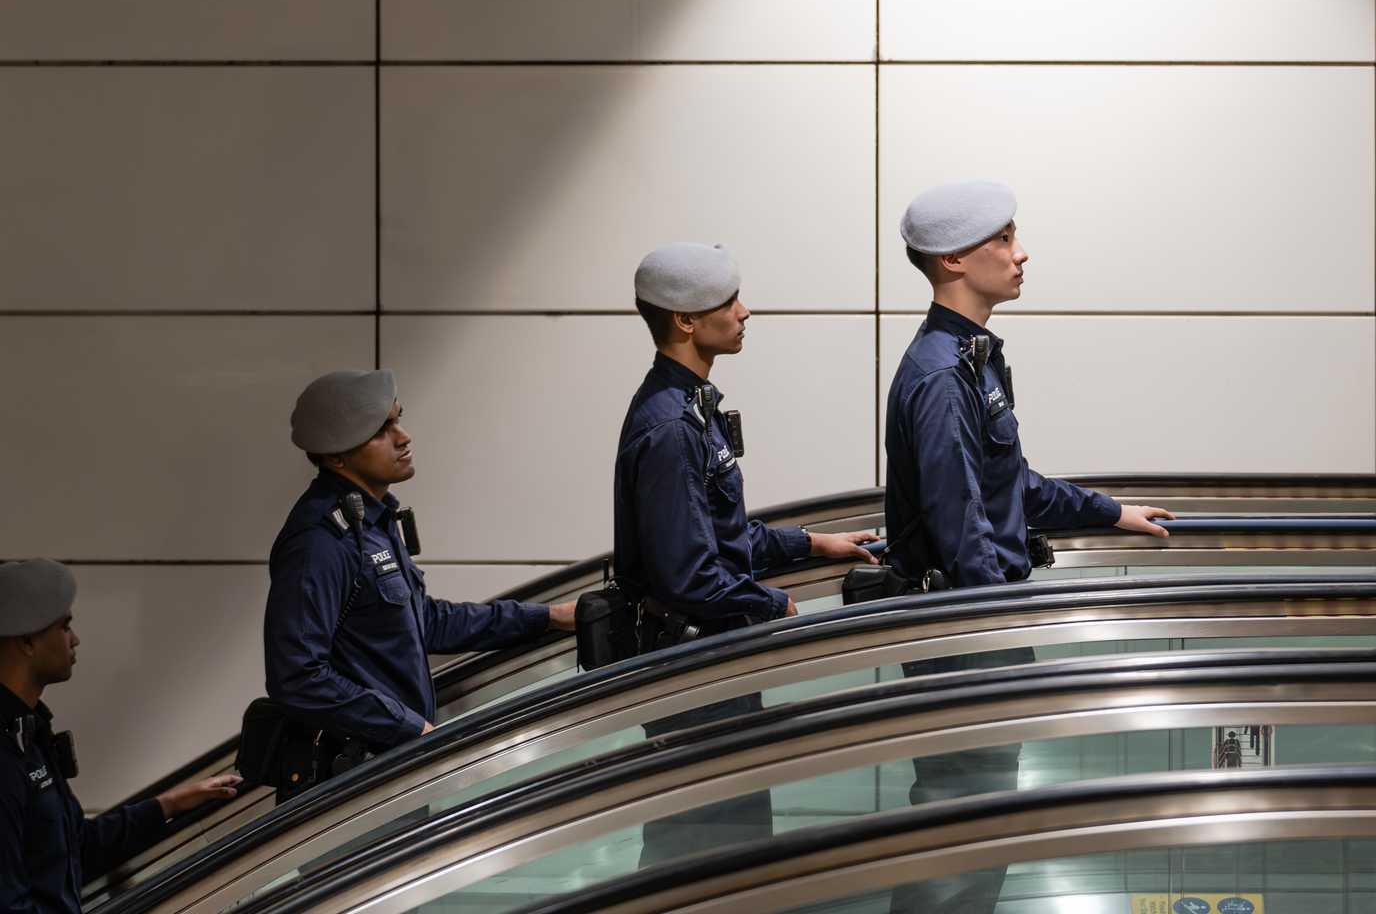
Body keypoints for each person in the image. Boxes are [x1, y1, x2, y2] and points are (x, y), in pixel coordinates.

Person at [885, 180, 1175, 911]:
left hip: (978, 628)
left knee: (979, 830)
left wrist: (1109, 512)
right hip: (966, 635)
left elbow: (1010, 484)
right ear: (953, 260)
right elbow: (960, 528)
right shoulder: (942, 376)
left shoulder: (971, 360)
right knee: (960, 833)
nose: (1021, 254)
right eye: (1005, 240)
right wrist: (1008, 628)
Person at [615, 242, 877, 867]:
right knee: (701, 845)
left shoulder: (691, 409)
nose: (745, 312)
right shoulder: (671, 427)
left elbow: (719, 536)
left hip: (714, 656)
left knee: (729, 836)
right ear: (685, 321)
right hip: (694, 667)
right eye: (728, 301)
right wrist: (773, 602)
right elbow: (689, 573)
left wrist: (813, 544)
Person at [264, 370, 575, 802]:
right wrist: (410, 730)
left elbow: (425, 622)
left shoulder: (371, 522)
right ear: (336, 457)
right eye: (381, 430)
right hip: (353, 789)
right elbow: (298, 677)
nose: (403, 437)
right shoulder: (320, 541)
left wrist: (546, 617)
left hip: (393, 773)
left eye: (398, 419)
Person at [1, 559, 242, 914]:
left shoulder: (30, 732)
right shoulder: (7, 753)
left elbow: (78, 847)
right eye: (65, 626)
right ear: (27, 642)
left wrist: (169, 804)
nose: (75, 639)